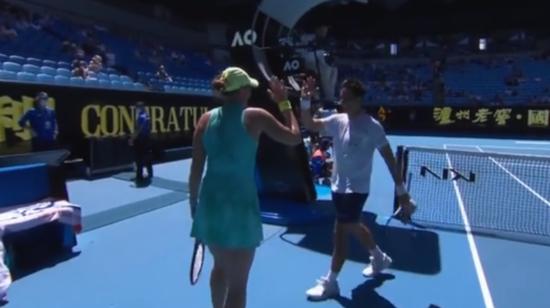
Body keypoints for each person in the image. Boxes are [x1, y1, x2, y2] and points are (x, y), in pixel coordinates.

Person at [188, 67, 302, 308]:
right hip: (240, 207)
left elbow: (196, 169)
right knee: (238, 285)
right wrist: (284, 104)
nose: (251, 90)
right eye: (248, 86)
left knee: (219, 267)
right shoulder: (255, 116)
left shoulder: (205, 120)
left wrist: (193, 206)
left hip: (209, 206)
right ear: (240, 91)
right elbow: (294, 137)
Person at [300, 77, 415, 301]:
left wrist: (402, 192)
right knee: (353, 225)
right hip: (338, 187)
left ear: (360, 99)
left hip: (357, 189)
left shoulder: (372, 127)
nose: (343, 103)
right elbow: (310, 124)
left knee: (340, 233)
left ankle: (331, 282)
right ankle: (378, 257)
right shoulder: (337, 120)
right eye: (341, 99)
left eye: (347, 99)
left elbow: (391, 160)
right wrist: (305, 100)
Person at [129, 101, 153, 184]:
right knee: (147, 156)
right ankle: (150, 174)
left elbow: (138, 129)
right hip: (147, 138)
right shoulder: (147, 115)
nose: (136, 109)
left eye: (137, 108)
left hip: (141, 139)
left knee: (139, 158)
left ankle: (139, 177)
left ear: (140, 108)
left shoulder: (141, 117)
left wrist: (132, 138)